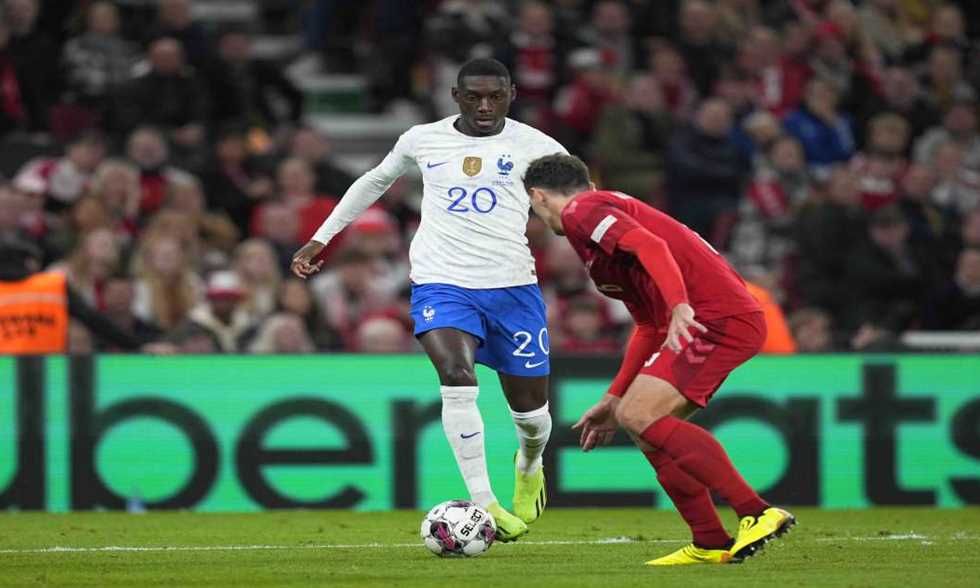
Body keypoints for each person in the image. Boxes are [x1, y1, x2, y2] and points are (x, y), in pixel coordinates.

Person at [291, 58, 566, 541]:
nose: (485, 106)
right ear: (456, 96)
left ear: (512, 95)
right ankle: (485, 502)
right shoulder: (422, 139)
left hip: (512, 289)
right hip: (442, 283)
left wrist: (600, 248)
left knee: (531, 416)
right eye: (474, 97)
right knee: (456, 378)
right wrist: (322, 237)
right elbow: (375, 180)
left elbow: (579, 199)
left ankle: (529, 465)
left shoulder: (538, 147)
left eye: (495, 96)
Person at [522, 153, 795, 565]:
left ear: (538, 196)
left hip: (713, 318)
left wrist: (680, 304)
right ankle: (709, 540)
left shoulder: (582, 210)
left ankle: (756, 512)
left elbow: (652, 246)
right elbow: (649, 326)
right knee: (643, 425)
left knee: (640, 415)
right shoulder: (597, 231)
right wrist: (614, 396)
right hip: (708, 318)